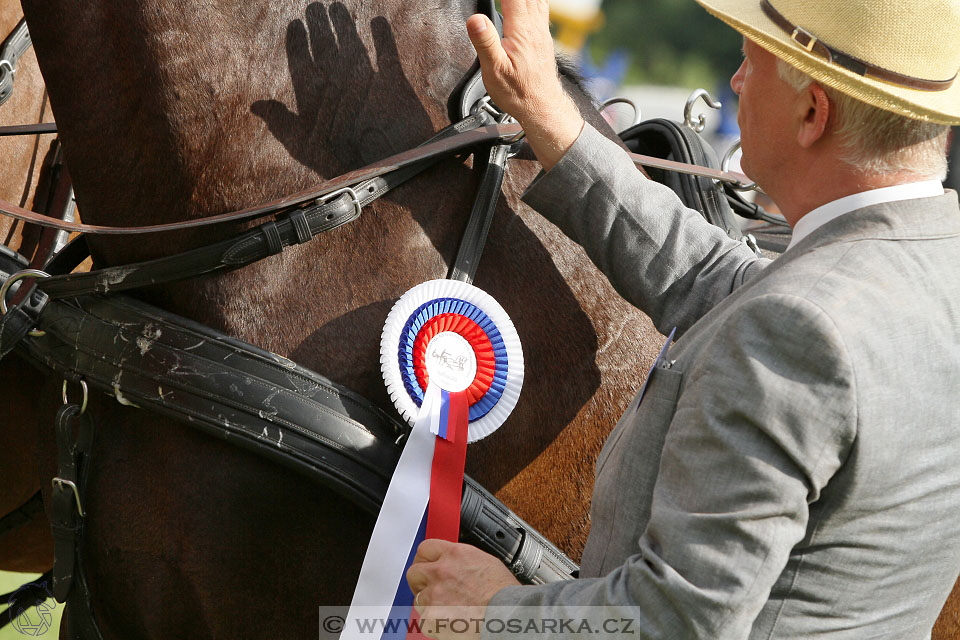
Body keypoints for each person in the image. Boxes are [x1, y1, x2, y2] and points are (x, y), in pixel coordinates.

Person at [406, 0, 960, 637]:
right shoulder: (924, 273)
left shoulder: (797, 326)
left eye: (751, 61)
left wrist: (492, 611)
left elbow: (674, 622)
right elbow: (714, 278)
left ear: (813, 113)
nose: (736, 80)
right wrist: (547, 111)